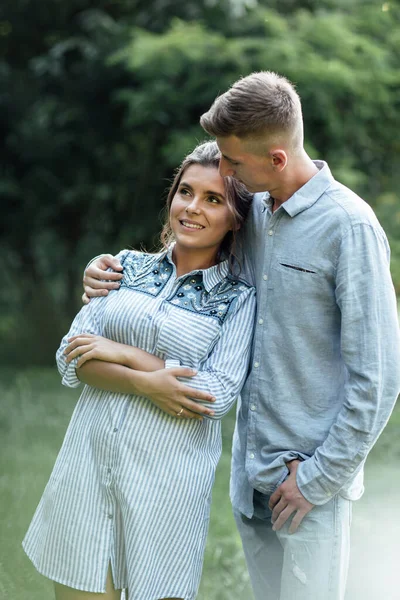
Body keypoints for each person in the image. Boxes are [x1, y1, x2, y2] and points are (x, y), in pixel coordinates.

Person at [83, 72, 400, 600]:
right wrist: (102, 269)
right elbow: (177, 249)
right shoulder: (251, 210)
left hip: (309, 488)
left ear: (276, 158)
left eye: (232, 162)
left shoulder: (350, 227)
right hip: (251, 477)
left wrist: (319, 480)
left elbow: (380, 378)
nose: (224, 171)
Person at [22, 141, 256, 600]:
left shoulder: (237, 299)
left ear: (235, 218)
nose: (192, 208)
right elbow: (72, 355)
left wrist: (122, 353)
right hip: (85, 473)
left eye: (213, 199)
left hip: (166, 490)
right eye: (185, 192)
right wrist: (147, 382)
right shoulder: (124, 268)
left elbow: (213, 394)